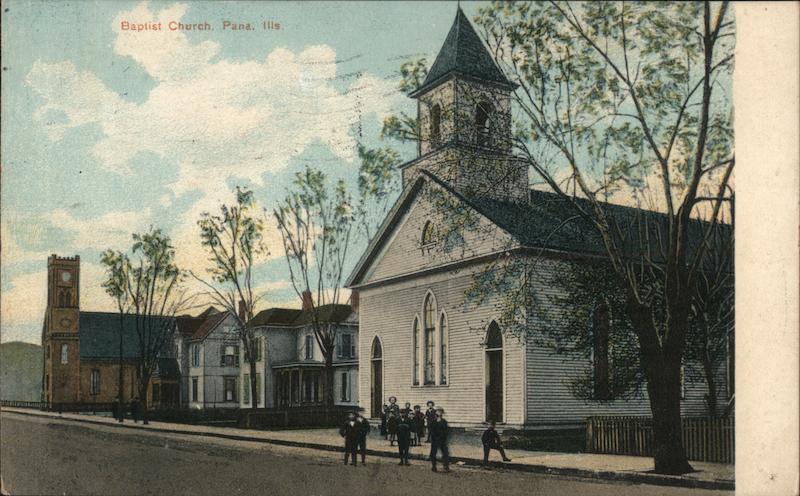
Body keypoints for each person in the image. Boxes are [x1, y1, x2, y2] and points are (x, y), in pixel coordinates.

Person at [429, 407, 450, 472]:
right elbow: (431, 430)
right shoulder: (433, 422)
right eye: (437, 412)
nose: (438, 413)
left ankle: (446, 466)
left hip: (442, 439)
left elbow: (446, 431)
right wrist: (434, 437)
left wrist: (443, 437)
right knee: (433, 453)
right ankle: (434, 466)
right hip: (435, 439)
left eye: (440, 412)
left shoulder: (444, 422)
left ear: (442, 414)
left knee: (445, 453)